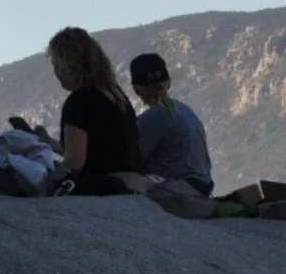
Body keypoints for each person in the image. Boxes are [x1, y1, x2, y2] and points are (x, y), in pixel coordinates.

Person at [34, 27, 142, 196]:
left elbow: (75, 163)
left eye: (57, 64)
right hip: (133, 183)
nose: (56, 72)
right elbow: (99, 150)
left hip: (107, 187)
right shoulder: (117, 95)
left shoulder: (78, 101)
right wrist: (48, 142)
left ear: (71, 63)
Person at [129, 53, 214, 195]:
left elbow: (131, 161)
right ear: (168, 82)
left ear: (137, 89)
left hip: (177, 190)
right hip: (202, 187)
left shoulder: (152, 118)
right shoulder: (185, 110)